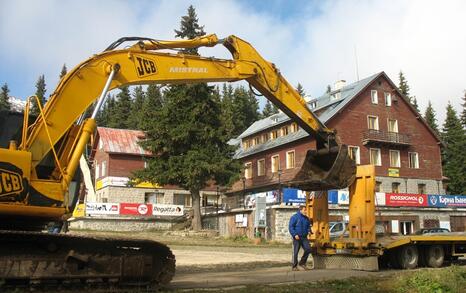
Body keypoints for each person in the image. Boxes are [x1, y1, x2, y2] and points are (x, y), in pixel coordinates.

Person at [288, 204, 312, 271]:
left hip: (304, 237)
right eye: (304, 210)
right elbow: (291, 227)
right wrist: (295, 234)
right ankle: (294, 266)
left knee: (308, 249)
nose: (306, 211)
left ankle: (302, 263)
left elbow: (308, 227)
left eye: (306, 210)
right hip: (297, 238)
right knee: (295, 252)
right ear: (300, 210)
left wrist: (309, 231)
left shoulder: (306, 218)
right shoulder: (294, 217)